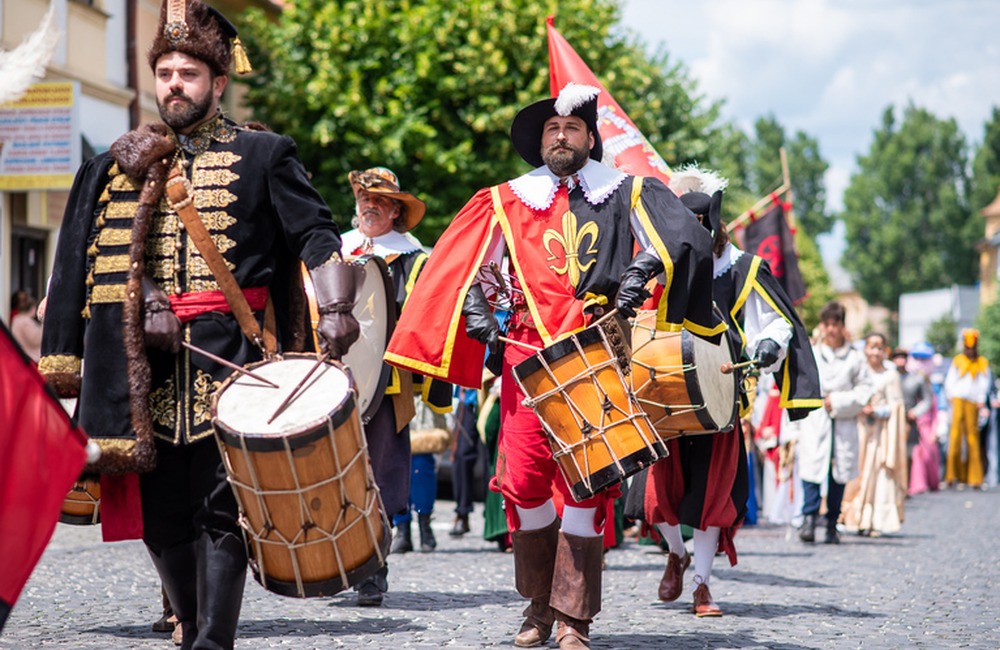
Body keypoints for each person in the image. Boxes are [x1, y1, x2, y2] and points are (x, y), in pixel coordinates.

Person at [38, 2, 362, 647]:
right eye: (165, 72)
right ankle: (191, 627)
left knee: (224, 510)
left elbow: (316, 233)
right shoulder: (110, 169)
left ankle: (212, 641)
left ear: (218, 83)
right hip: (140, 372)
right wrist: (72, 354)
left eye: (188, 72)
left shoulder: (265, 153)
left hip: (235, 360)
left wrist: (337, 305)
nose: (174, 84)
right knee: (160, 519)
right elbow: (74, 264)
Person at [385, 83, 723, 649]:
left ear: (590, 138)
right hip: (525, 360)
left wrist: (641, 270)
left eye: (570, 128)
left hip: (596, 358)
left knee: (586, 488)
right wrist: (479, 315)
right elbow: (470, 267)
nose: (560, 136)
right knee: (521, 485)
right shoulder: (507, 200)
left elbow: (686, 233)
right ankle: (537, 604)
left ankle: (572, 617)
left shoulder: (626, 192)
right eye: (550, 129)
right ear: (539, 142)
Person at [628, 166, 821, 616]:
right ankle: (675, 554)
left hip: (722, 396)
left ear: (714, 226)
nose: (690, 234)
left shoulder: (744, 269)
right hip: (666, 394)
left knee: (711, 497)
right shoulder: (662, 268)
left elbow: (775, 321)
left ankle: (701, 584)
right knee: (660, 494)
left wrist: (769, 343)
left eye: (699, 225)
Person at [341, 167, 451, 601]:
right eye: (364, 199)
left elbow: (425, 320)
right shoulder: (336, 250)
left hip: (387, 385)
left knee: (380, 474)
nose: (369, 206)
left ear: (396, 212)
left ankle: (373, 566)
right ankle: (341, 561)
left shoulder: (413, 260)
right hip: (336, 382)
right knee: (339, 474)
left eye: (380, 201)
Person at [786, 301, 873, 545]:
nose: (831, 329)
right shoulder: (812, 353)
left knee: (839, 472)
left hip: (842, 420)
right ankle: (809, 519)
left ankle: (832, 523)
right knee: (812, 468)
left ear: (842, 326)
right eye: (827, 324)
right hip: (816, 419)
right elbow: (799, 383)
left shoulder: (855, 359)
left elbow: (865, 390)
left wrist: (837, 401)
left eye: (835, 324)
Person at [841, 334, 907, 536]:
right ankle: (853, 517)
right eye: (871, 347)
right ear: (865, 349)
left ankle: (875, 520)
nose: (875, 352)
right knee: (856, 472)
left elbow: (897, 406)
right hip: (858, 429)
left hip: (880, 434)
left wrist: (877, 410)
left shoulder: (890, 375)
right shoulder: (858, 371)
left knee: (877, 475)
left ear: (884, 351)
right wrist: (859, 408)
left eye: (879, 348)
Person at [943, 328, 991, 489]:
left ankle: (975, 477)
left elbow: (984, 382)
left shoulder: (982, 362)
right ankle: (952, 475)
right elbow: (950, 380)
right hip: (957, 400)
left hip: (972, 402)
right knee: (955, 436)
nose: (970, 351)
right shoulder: (958, 360)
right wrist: (950, 395)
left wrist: (981, 399)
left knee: (972, 438)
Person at [449, 386, 483, 537]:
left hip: (496, 395)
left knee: (496, 459)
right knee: (461, 457)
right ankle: (462, 514)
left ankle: (500, 525)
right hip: (469, 399)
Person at [10, 292, 43, 361]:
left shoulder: (17, 319)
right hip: (31, 357)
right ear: (32, 308)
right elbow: (35, 340)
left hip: (23, 356)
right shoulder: (26, 322)